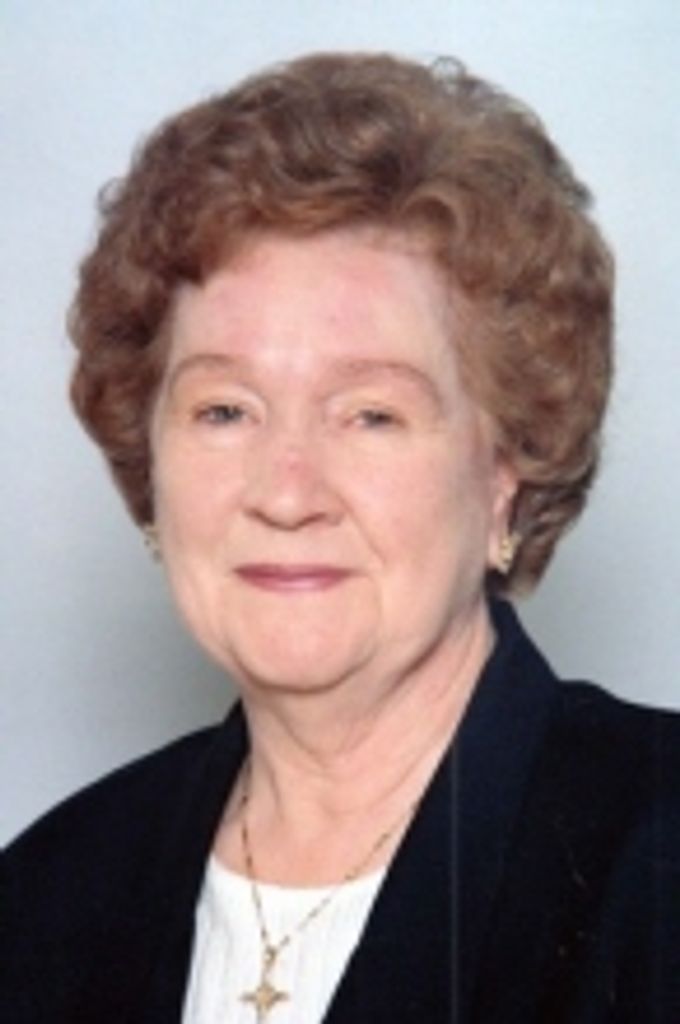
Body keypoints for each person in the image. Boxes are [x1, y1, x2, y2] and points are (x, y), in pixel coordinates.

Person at [1, 51, 679, 1024]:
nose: (286, 494)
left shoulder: (652, 861)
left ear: (506, 471)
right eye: (224, 410)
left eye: (370, 415)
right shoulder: (46, 892)